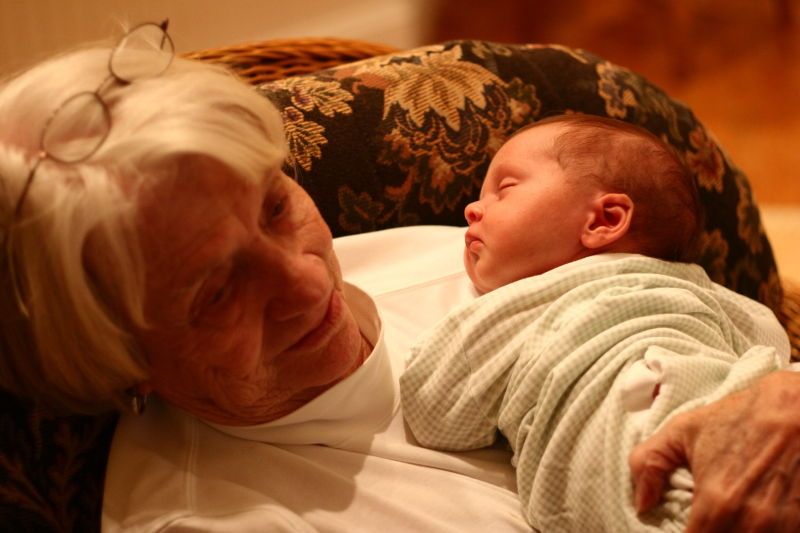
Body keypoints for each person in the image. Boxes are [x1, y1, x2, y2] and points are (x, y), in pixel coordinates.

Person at [0, 24, 797, 531]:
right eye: (216, 293)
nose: (311, 285)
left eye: (276, 206)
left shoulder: (467, 246)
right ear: (120, 362)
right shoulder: (215, 516)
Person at [399, 115, 794, 531]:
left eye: (506, 189)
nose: (472, 208)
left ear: (603, 221)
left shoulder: (528, 302)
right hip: (734, 421)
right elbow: (768, 337)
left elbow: (435, 410)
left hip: (657, 469)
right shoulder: (698, 288)